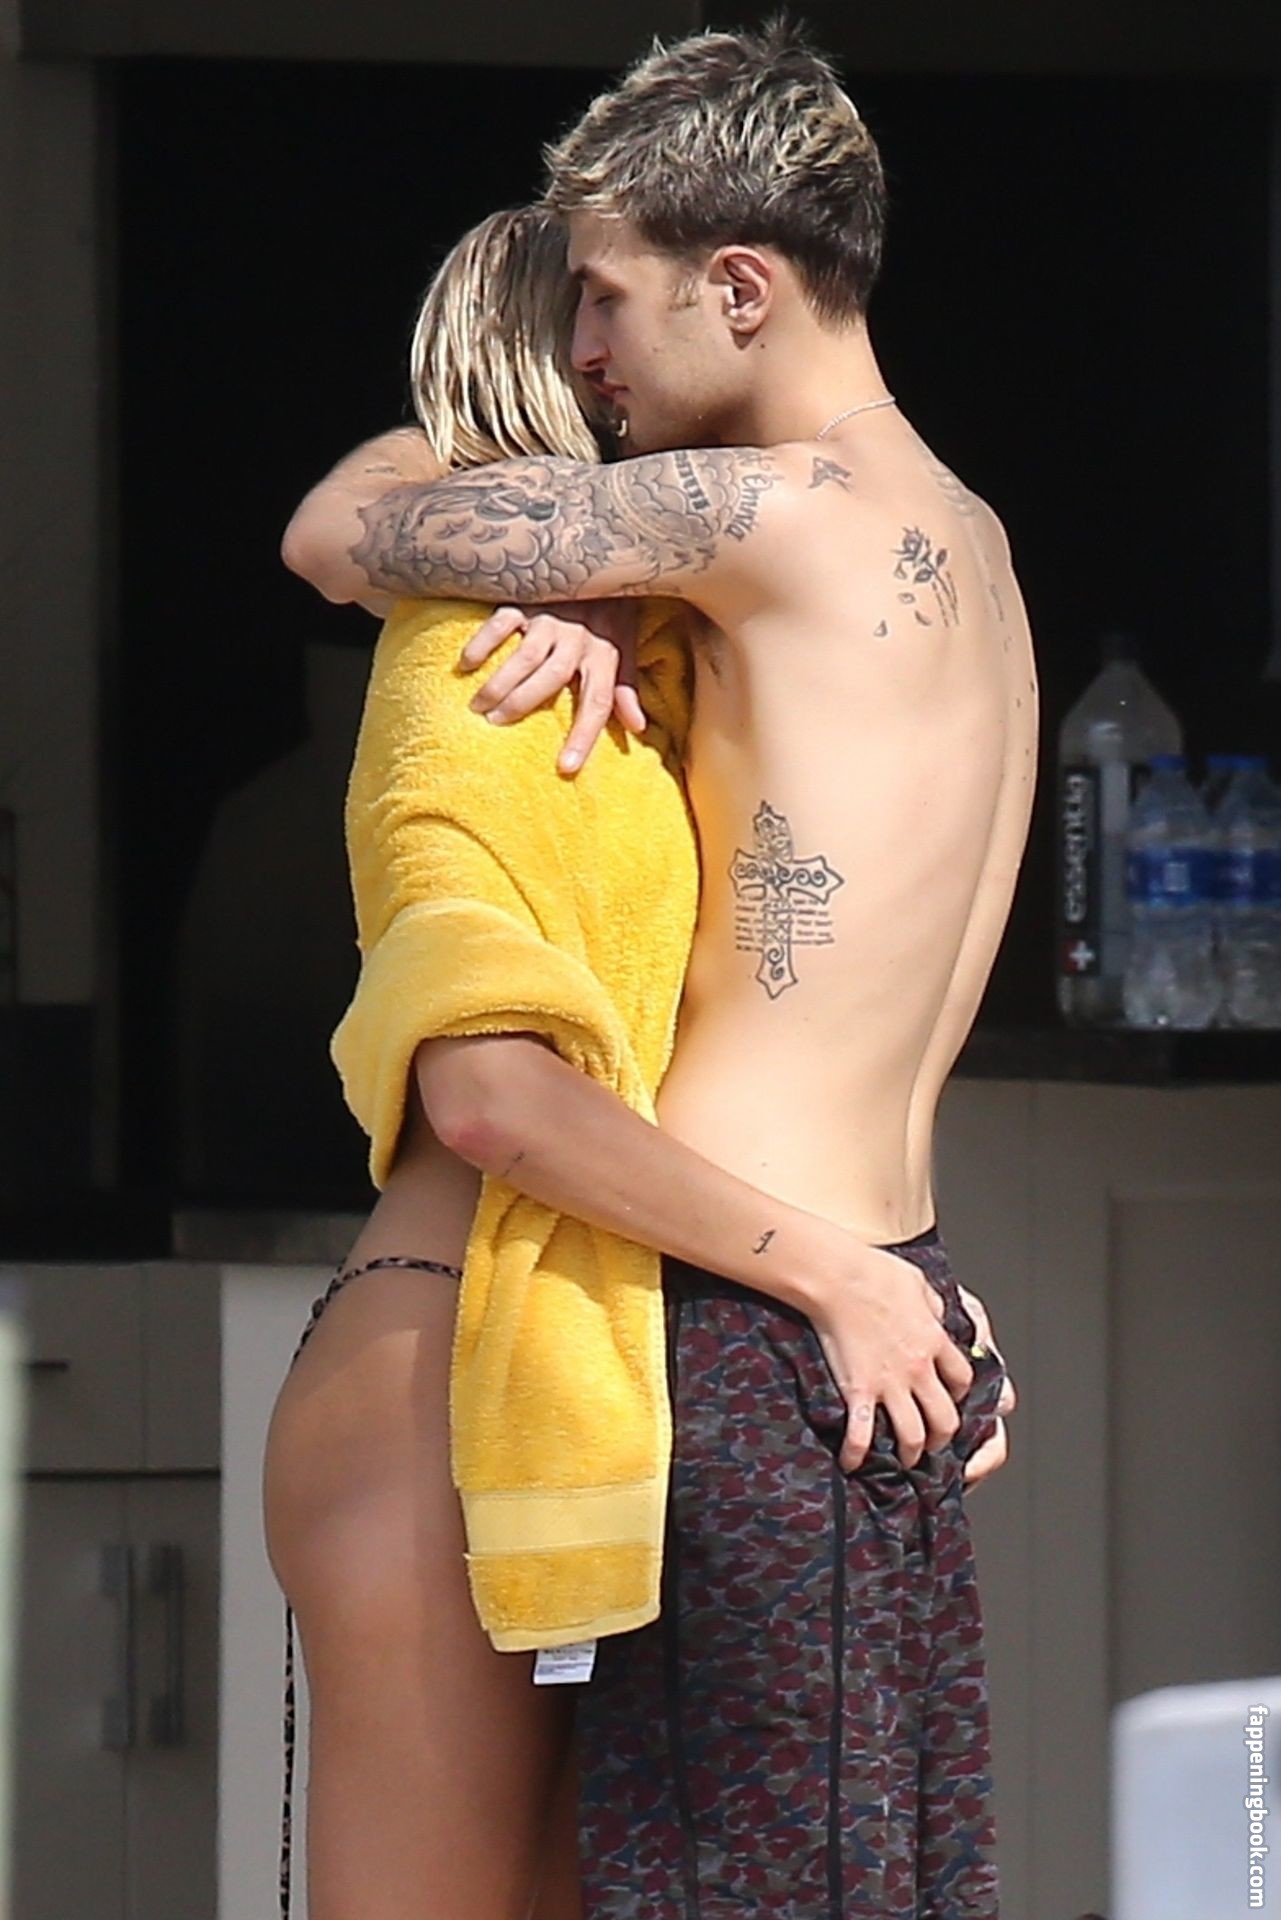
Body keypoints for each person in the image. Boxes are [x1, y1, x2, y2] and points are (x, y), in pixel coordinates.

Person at [282, 21, 1032, 1920]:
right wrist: (614, 586)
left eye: (609, 297)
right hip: (894, 1287)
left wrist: (545, 526)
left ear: (742, 287)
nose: (593, 350)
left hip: (764, 1317)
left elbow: (336, 531)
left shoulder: (758, 518)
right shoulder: (970, 542)